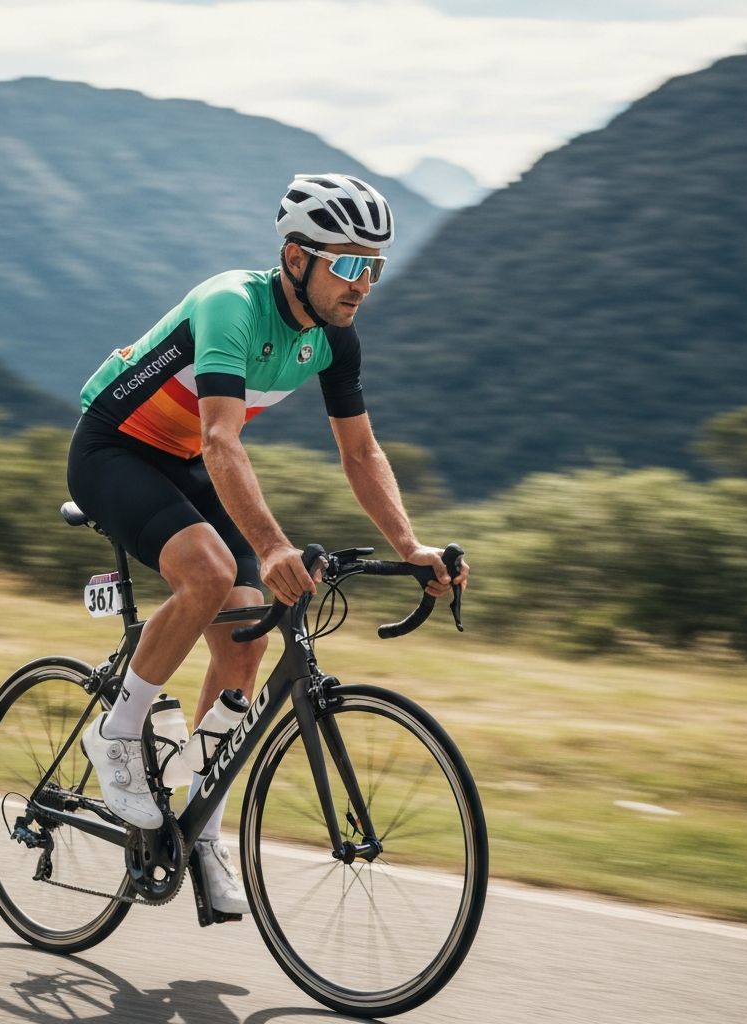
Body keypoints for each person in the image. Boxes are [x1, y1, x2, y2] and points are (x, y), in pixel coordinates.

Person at [67, 172, 469, 915]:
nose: (364, 284)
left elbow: (361, 454)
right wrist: (276, 544)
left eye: (374, 266)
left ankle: (204, 832)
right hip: (114, 450)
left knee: (247, 640)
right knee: (214, 574)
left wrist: (410, 546)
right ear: (295, 259)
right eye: (349, 265)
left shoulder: (333, 340)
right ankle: (117, 736)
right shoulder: (231, 306)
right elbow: (223, 439)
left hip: (182, 461)